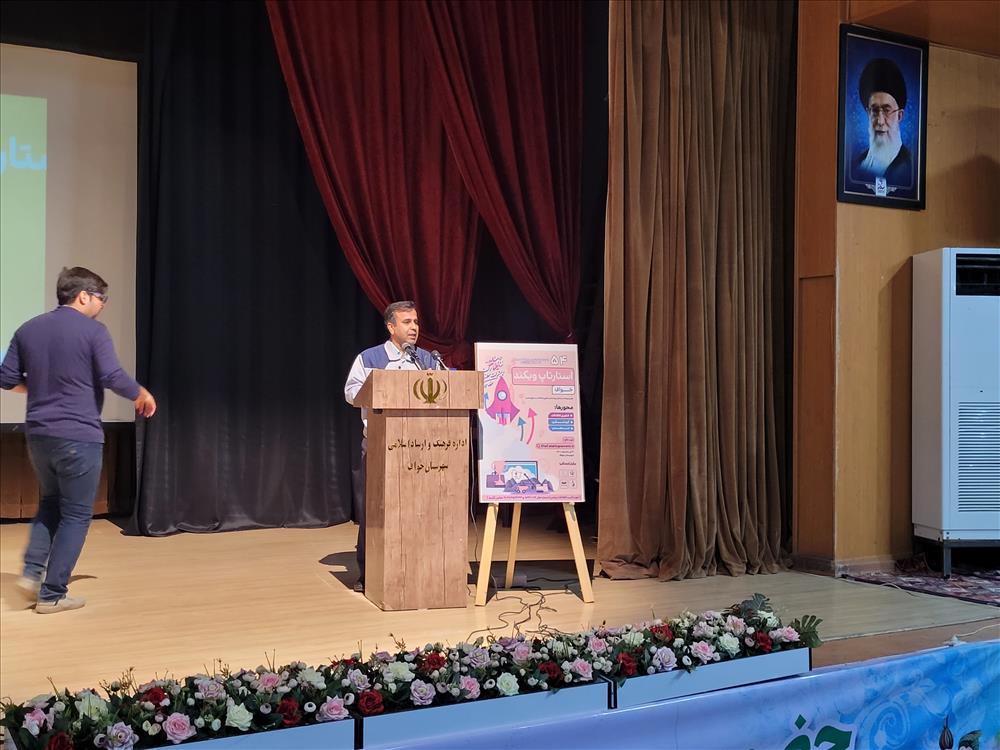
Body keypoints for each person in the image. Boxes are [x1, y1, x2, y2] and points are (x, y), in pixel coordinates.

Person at [0, 267, 156, 613]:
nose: (102, 306)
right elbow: (111, 374)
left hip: (39, 435)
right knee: (76, 515)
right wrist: (140, 393)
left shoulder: (27, 329)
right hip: (78, 436)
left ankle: (32, 573)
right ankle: (52, 593)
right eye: (101, 298)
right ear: (83, 296)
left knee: (51, 503)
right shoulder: (93, 331)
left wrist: (41, 388)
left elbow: (6, 378)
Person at [343, 301, 436, 592]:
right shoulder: (370, 357)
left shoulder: (426, 360)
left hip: (423, 446)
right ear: (391, 327)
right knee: (376, 510)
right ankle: (368, 573)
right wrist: (381, 387)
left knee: (419, 509)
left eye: (416, 322)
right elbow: (351, 393)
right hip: (380, 444)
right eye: (407, 322)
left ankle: (416, 569)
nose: (414, 328)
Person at [852, 57, 913, 186]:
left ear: (899, 116)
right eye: (874, 110)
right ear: (868, 113)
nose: (880, 121)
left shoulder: (910, 167)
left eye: (886, 110)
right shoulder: (857, 164)